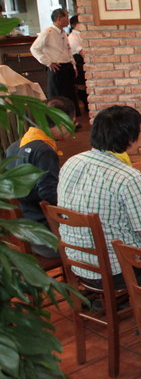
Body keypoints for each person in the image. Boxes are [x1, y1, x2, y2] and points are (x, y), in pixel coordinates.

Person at [57, 106, 141, 287]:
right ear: (129, 137)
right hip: (118, 270)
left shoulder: (72, 162)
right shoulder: (128, 177)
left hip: (79, 264)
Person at [5, 96, 76, 258]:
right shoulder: (44, 151)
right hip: (45, 238)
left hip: (22, 231)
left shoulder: (16, 145)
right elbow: (49, 195)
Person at [30, 8, 77, 116]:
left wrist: (73, 65)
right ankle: (57, 119)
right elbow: (34, 49)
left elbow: (68, 50)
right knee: (57, 96)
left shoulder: (63, 32)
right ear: (59, 19)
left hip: (67, 66)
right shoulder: (48, 32)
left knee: (70, 96)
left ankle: (71, 118)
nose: (68, 20)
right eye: (66, 17)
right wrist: (48, 63)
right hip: (57, 68)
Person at [67, 15, 86, 110]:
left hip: (83, 62)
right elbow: (83, 53)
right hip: (79, 62)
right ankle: (86, 106)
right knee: (82, 85)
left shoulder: (82, 34)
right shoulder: (72, 37)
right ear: (76, 24)